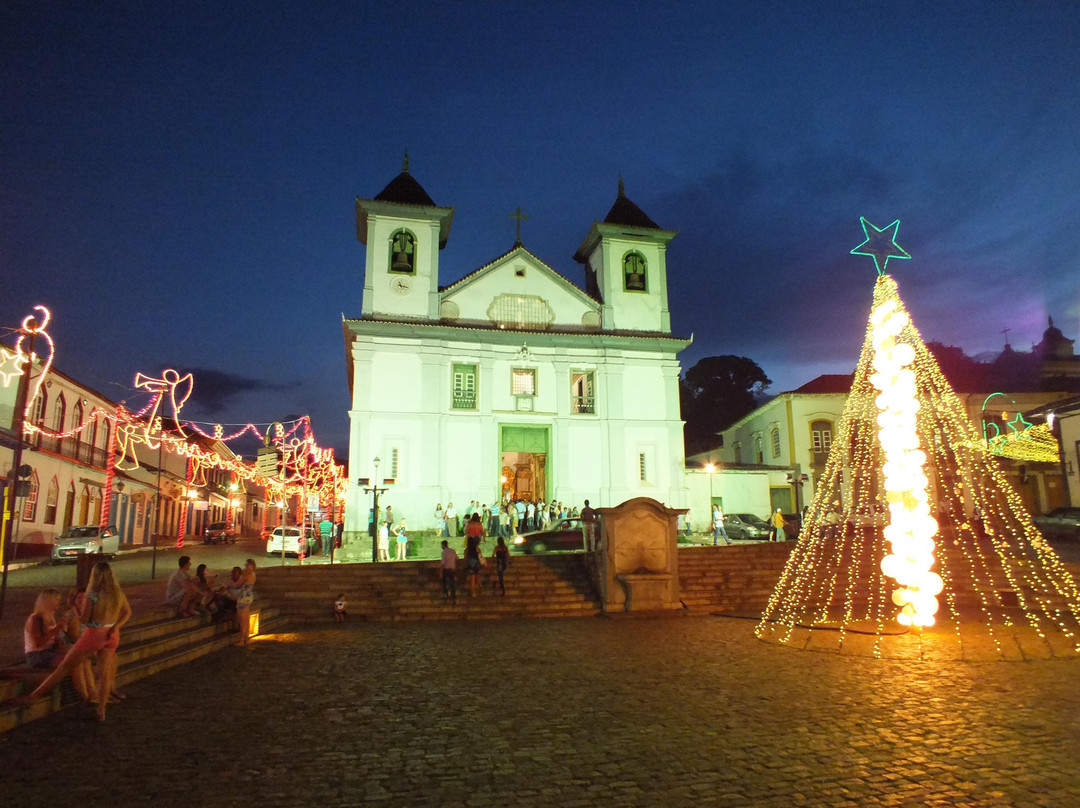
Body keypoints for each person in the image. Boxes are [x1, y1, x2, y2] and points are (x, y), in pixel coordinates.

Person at [20, 561, 131, 722]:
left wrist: (74, 607)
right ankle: (102, 711)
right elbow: (128, 612)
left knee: (65, 666)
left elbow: (84, 619)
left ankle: (34, 696)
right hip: (112, 634)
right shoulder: (117, 593)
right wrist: (115, 627)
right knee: (104, 674)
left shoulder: (92, 594)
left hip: (94, 633)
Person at [24, 588, 67, 669]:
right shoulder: (35, 619)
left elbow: (53, 638)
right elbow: (38, 644)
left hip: (50, 651)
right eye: (57, 600)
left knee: (80, 660)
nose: (59, 602)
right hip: (37, 654)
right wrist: (56, 629)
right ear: (49, 601)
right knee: (70, 662)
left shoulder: (51, 617)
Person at [233, 559, 257, 646]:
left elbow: (237, 585)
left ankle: (241, 640)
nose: (245, 567)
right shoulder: (253, 574)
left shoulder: (247, 575)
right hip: (249, 596)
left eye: (246, 565)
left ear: (251, 565)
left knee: (242, 620)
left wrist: (228, 585)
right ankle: (246, 638)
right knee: (246, 619)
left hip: (243, 597)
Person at [440, 540, 459, 605]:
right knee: (452, 584)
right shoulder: (453, 551)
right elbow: (457, 559)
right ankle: (453, 598)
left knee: (444, 583)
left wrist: (441, 571)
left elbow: (443, 563)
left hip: (446, 570)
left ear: (443, 545)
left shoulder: (444, 552)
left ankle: (445, 596)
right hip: (452, 569)